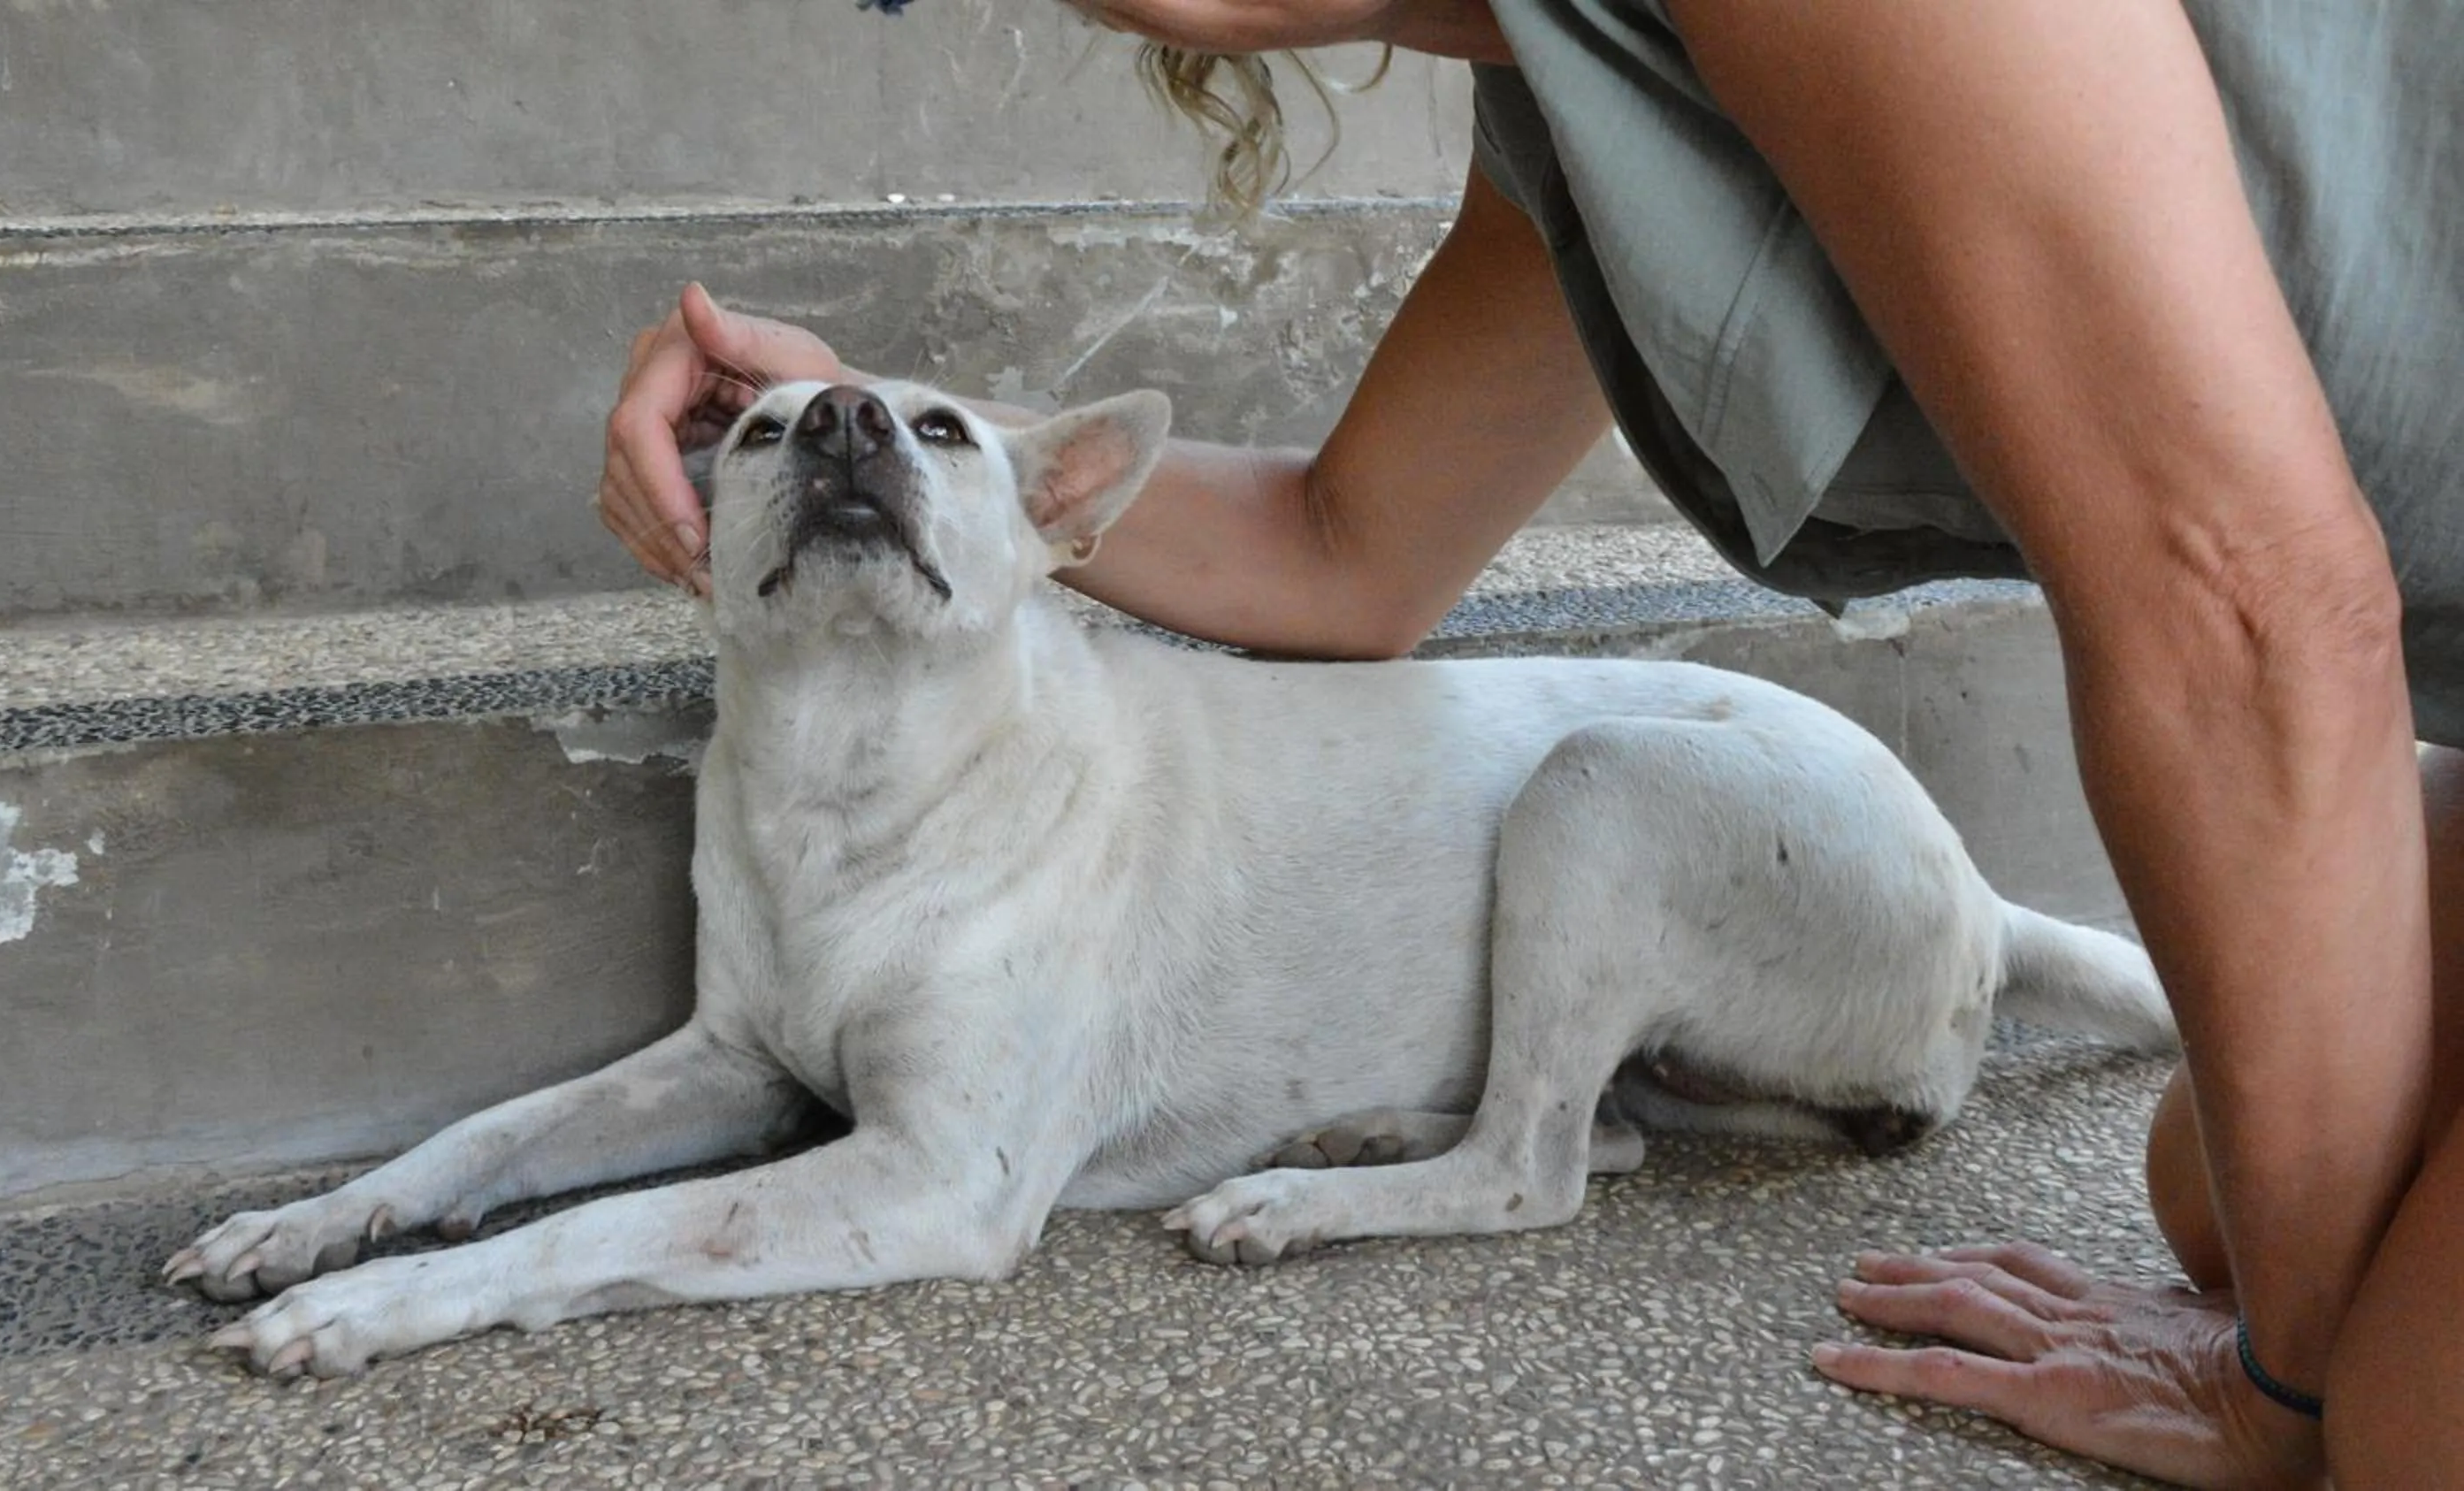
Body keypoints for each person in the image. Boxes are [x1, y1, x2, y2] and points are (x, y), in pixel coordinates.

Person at [594, 3, 2462, 1484]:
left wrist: (2275, 1388)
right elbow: (1348, 553)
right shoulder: (1578, 101)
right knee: (2216, 1200)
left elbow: (2255, 600)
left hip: (2364, 682)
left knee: (2393, 1424)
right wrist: (882, 445)